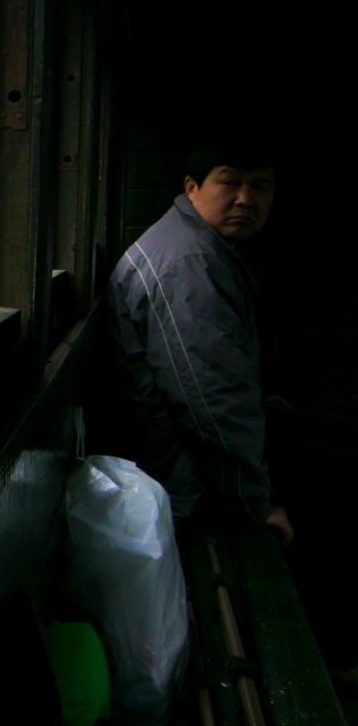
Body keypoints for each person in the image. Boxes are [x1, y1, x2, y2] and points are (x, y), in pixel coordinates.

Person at [104, 139, 293, 544]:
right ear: (192, 188)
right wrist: (254, 506)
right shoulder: (187, 265)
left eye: (260, 187)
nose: (245, 199)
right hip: (186, 495)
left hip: (185, 479)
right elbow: (215, 404)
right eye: (230, 183)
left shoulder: (197, 245)